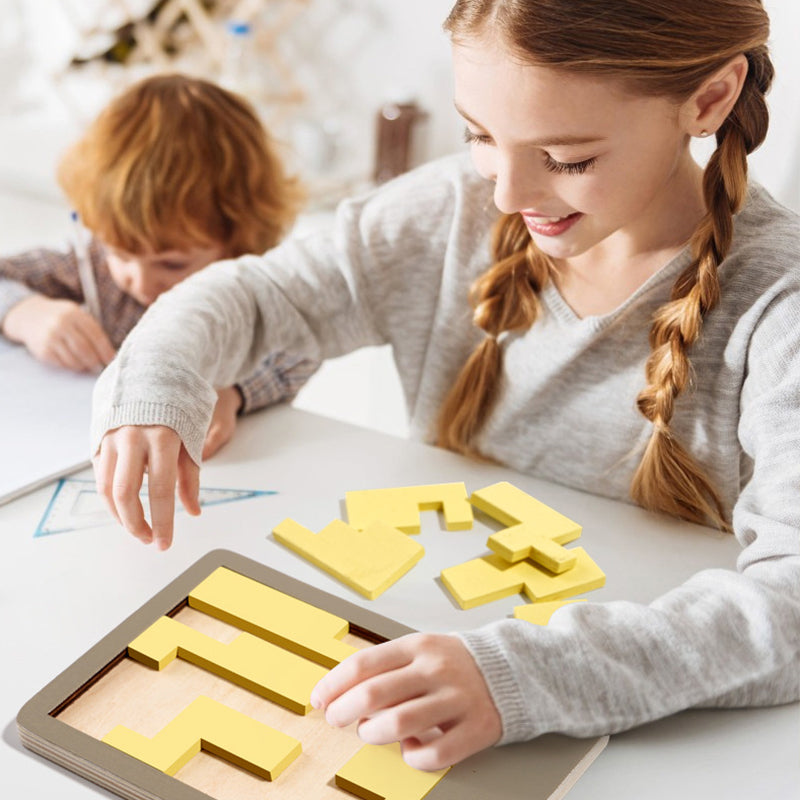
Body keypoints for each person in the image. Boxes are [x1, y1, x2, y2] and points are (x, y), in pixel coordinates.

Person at [89, 0, 800, 773]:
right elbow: (264, 295)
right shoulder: (452, 207)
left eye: (567, 158)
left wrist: (525, 676)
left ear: (708, 99)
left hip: (651, 741)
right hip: (423, 636)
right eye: (480, 135)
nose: (507, 195)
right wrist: (159, 383)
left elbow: (790, 606)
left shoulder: (780, 305)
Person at [0, 73, 316, 460]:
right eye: (119, 252)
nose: (139, 280)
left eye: (171, 263)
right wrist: (22, 311)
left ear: (237, 239)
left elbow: (303, 345)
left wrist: (233, 394)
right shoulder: (97, 269)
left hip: (241, 457)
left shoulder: (257, 280)